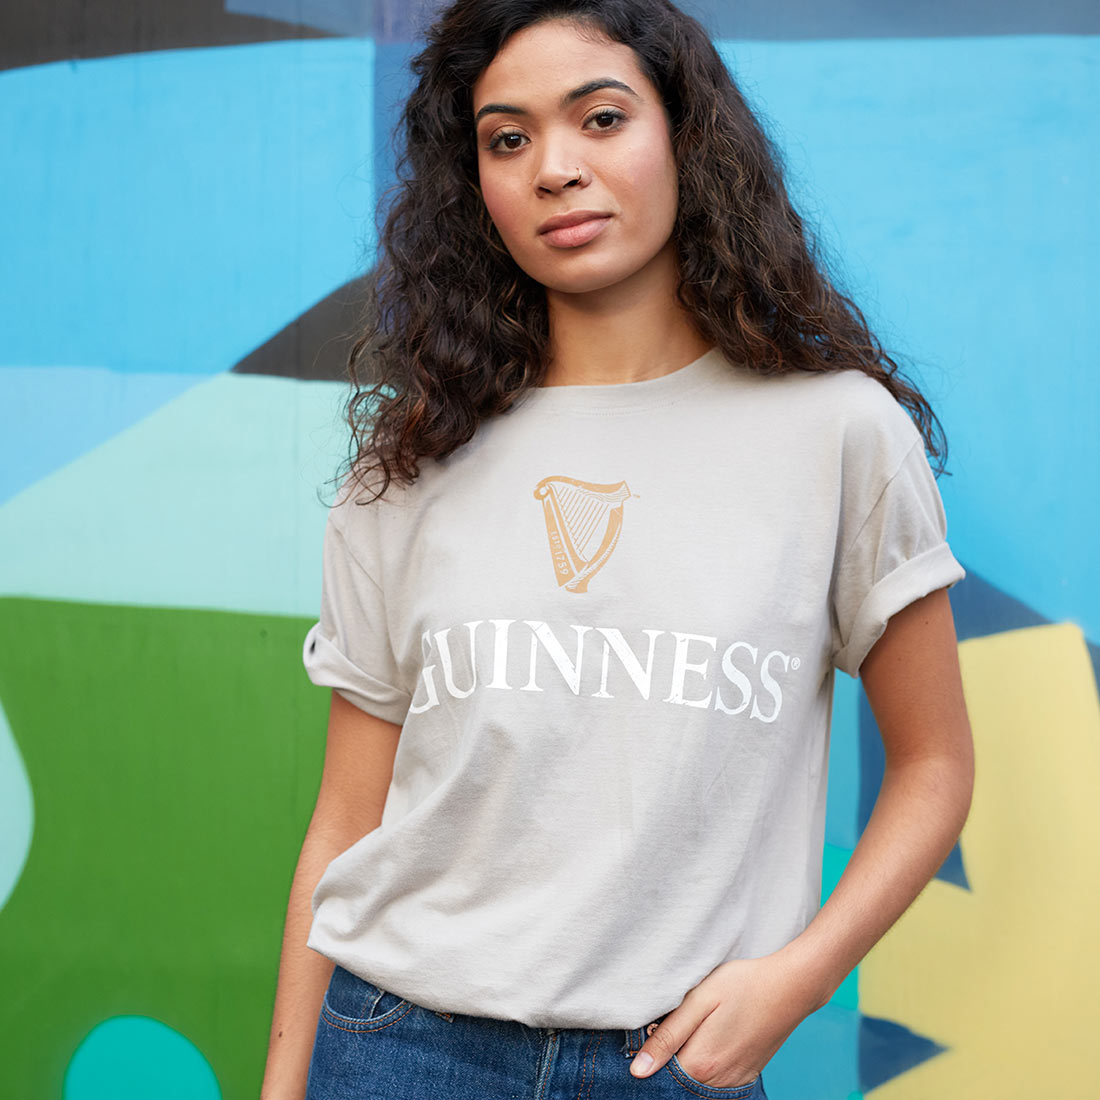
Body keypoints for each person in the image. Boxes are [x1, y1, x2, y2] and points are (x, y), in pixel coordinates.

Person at [260, 0, 975, 1097]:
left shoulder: (837, 432)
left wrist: (798, 975)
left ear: (683, 134)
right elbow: (345, 824)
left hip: (672, 1061)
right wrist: (284, 1080)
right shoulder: (407, 463)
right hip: (401, 1045)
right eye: (507, 138)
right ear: (476, 185)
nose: (553, 168)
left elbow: (932, 766)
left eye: (599, 118)